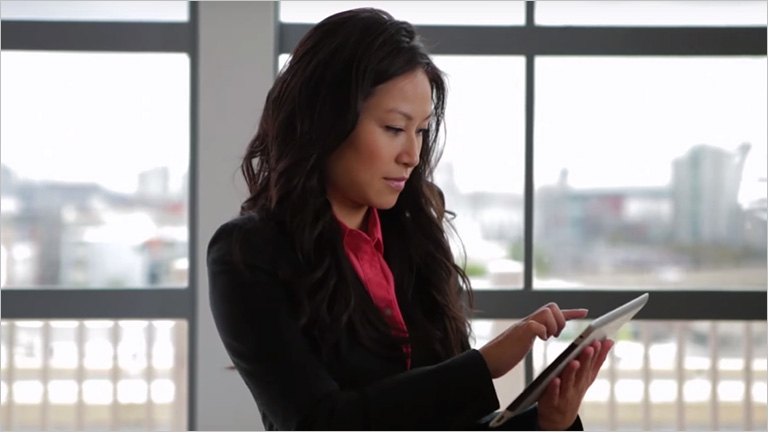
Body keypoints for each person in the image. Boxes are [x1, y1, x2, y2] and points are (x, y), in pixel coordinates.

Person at [207, 7, 613, 431]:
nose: (412, 156)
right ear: (324, 120)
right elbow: (318, 422)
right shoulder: (247, 254)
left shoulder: (416, 240)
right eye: (393, 128)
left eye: (420, 131)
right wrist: (483, 365)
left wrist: (548, 423)